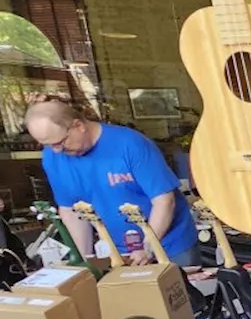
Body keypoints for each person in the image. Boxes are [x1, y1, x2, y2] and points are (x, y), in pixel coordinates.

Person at [25, 98, 199, 267]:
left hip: (170, 246)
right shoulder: (53, 157)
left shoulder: (130, 144)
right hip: (115, 252)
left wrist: (148, 248)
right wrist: (87, 261)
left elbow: (164, 200)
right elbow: (71, 209)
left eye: (61, 143)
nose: (57, 151)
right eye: (48, 145)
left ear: (79, 126)